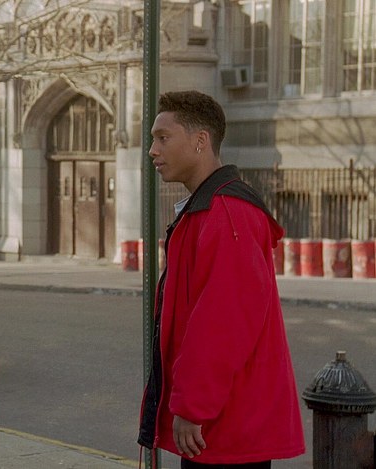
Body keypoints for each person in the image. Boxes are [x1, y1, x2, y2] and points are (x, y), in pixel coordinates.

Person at [137, 91, 304, 468]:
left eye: (163, 138)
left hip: (227, 428)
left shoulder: (227, 213)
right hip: (218, 426)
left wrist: (192, 406)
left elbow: (225, 320)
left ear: (200, 141)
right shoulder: (207, 209)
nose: (152, 150)